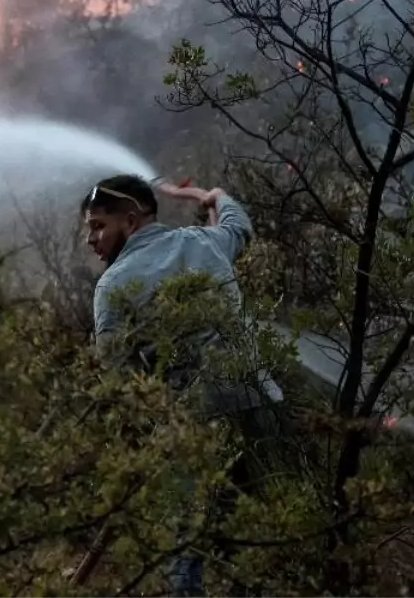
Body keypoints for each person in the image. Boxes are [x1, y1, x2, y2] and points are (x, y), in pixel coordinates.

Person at [81, 173, 284, 596]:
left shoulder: (113, 286)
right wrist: (216, 195)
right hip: (260, 404)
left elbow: (119, 382)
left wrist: (145, 441)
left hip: (192, 423)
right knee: (264, 538)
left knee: (187, 546)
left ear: (131, 221)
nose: (91, 240)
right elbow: (237, 227)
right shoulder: (204, 242)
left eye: (98, 226)